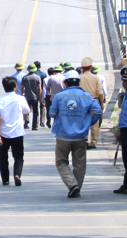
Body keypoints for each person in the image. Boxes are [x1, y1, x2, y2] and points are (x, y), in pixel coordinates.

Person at [48, 70, 101, 198]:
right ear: (79, 82)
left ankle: (72, 185)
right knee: (80, 164)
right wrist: (88, 123)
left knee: (61, 162)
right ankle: (77, 187)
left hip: (63, 136)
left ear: (65, 83)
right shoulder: (86, 96)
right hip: (81, 136)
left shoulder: (59, 96)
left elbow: (52, 113)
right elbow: (98, 111)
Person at [0, 76, 31, 185]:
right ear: (15, 87)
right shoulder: (20, 99)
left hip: (3, 134)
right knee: (18, 156)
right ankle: (17, 175)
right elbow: (26, 111)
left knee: (3, 157)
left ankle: (5, 180)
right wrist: (21, 119)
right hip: (17, 133)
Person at [78, 58, 106, 149]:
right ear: (90, 67)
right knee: (95, 123)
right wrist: (101, 103)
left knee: (83, 121)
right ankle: (93, 142)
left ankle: (84, 139)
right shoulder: (95, 78)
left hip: (82, 102)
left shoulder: (79, 78)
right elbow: (100, 92)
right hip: (94, 101)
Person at [21, 64, 45, 130]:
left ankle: (26, 123)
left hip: (27, 97)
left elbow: (22, 88)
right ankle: (34, 126)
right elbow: (40, 89)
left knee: (26, 110)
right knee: (35, 111)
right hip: (35, 97)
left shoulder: (25, 77)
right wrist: (40, 98)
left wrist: (21, 96)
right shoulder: (37, 77)